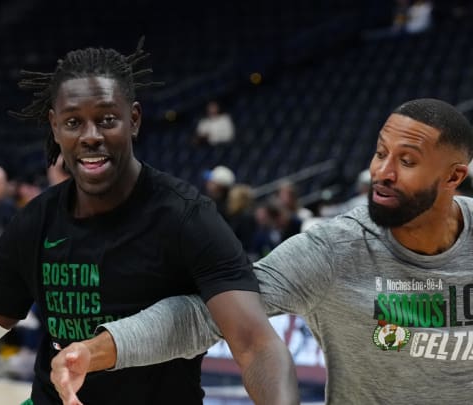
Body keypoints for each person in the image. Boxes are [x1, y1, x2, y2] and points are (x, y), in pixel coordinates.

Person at [0, 39, 297, 405]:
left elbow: (255, 344)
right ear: (55, 129)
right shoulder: (35, 223)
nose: (90, 136)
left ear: (135, 120)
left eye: (107, 119)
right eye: (72, 122)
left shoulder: (187, 217)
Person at [49, 98, 473, 404]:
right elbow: (209, 313)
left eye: (408, 161)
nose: (382, 172)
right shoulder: (335, 251)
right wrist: (95, 350)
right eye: (381, 153)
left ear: (454, 176)